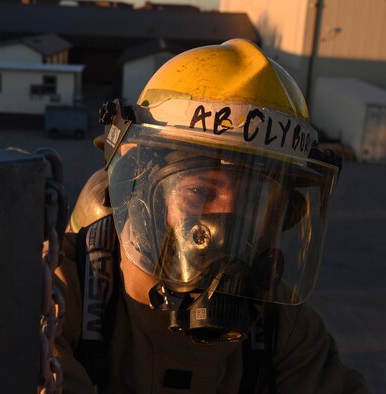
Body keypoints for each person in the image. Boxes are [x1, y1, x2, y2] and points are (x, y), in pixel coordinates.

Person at [53, 39, 369, 393]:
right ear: (141, 196)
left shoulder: (286, 329)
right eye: (200, 193)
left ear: (281, 218)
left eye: (254, 202)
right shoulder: (61, 291)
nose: (226, 226)